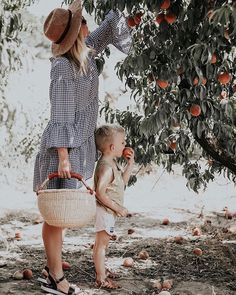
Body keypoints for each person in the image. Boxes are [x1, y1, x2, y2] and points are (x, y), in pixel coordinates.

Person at [33, 0, 132, 294]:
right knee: (56, 212)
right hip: (63, 150)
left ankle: (53, 265)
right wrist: (63, 157)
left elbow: (108, 29)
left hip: (77, 147)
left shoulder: (84, 53)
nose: (87, 25)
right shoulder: (63, 67)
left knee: (60, 211)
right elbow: (59, 115)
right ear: (76, 32)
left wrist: (120, 10)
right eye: (83, 22)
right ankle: (54, 276)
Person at [93, 124, 135, 289]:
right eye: (123, 143)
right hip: (105, 211)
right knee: (101, 245)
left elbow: (121, 184)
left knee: (102, 243)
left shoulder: (113, 163)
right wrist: (118, 208)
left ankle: (101, 269)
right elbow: (99, 193)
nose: (125, 145)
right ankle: (100, 278)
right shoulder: (106, 167)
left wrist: (130, 165)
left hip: (108, 211)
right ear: (112, 147)